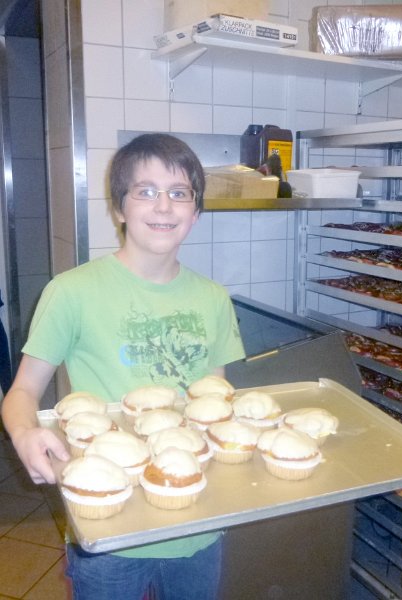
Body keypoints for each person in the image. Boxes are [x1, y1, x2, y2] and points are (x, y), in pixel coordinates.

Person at [1, 133, 245, 599]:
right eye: (145, 191)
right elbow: (23, 392)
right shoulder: (71, 291)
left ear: (195, 213)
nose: (163, 206)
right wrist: (25, 433)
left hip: (197, 523)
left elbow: (215, 407)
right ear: (119, 209)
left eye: (179, 193)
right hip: (109, 526)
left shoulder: (214, 299)